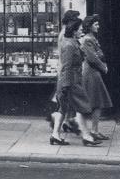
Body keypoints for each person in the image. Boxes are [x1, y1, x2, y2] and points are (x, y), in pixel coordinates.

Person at [52, 12, 98, 147]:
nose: (81, 31)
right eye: (80, 29)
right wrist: (65, 85)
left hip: (71, 80)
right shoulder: (69, 45)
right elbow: (66, 66)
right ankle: (86, 136)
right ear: (74, 30)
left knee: (63, 108)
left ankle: (55, 134)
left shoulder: (73, 42)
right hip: (70, 81)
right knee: (82, 107)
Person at [81, 14, 113, 142]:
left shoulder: (91, 38)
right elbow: (92, 57)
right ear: (89, 26)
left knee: (97, 102)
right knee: (95, 102)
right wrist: (104, 67)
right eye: (96, 24)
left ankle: (94, 130)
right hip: (91, 73)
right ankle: (90, 131)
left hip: (93, 72)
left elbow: (98, 54)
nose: (98, 26)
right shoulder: (88, 39)